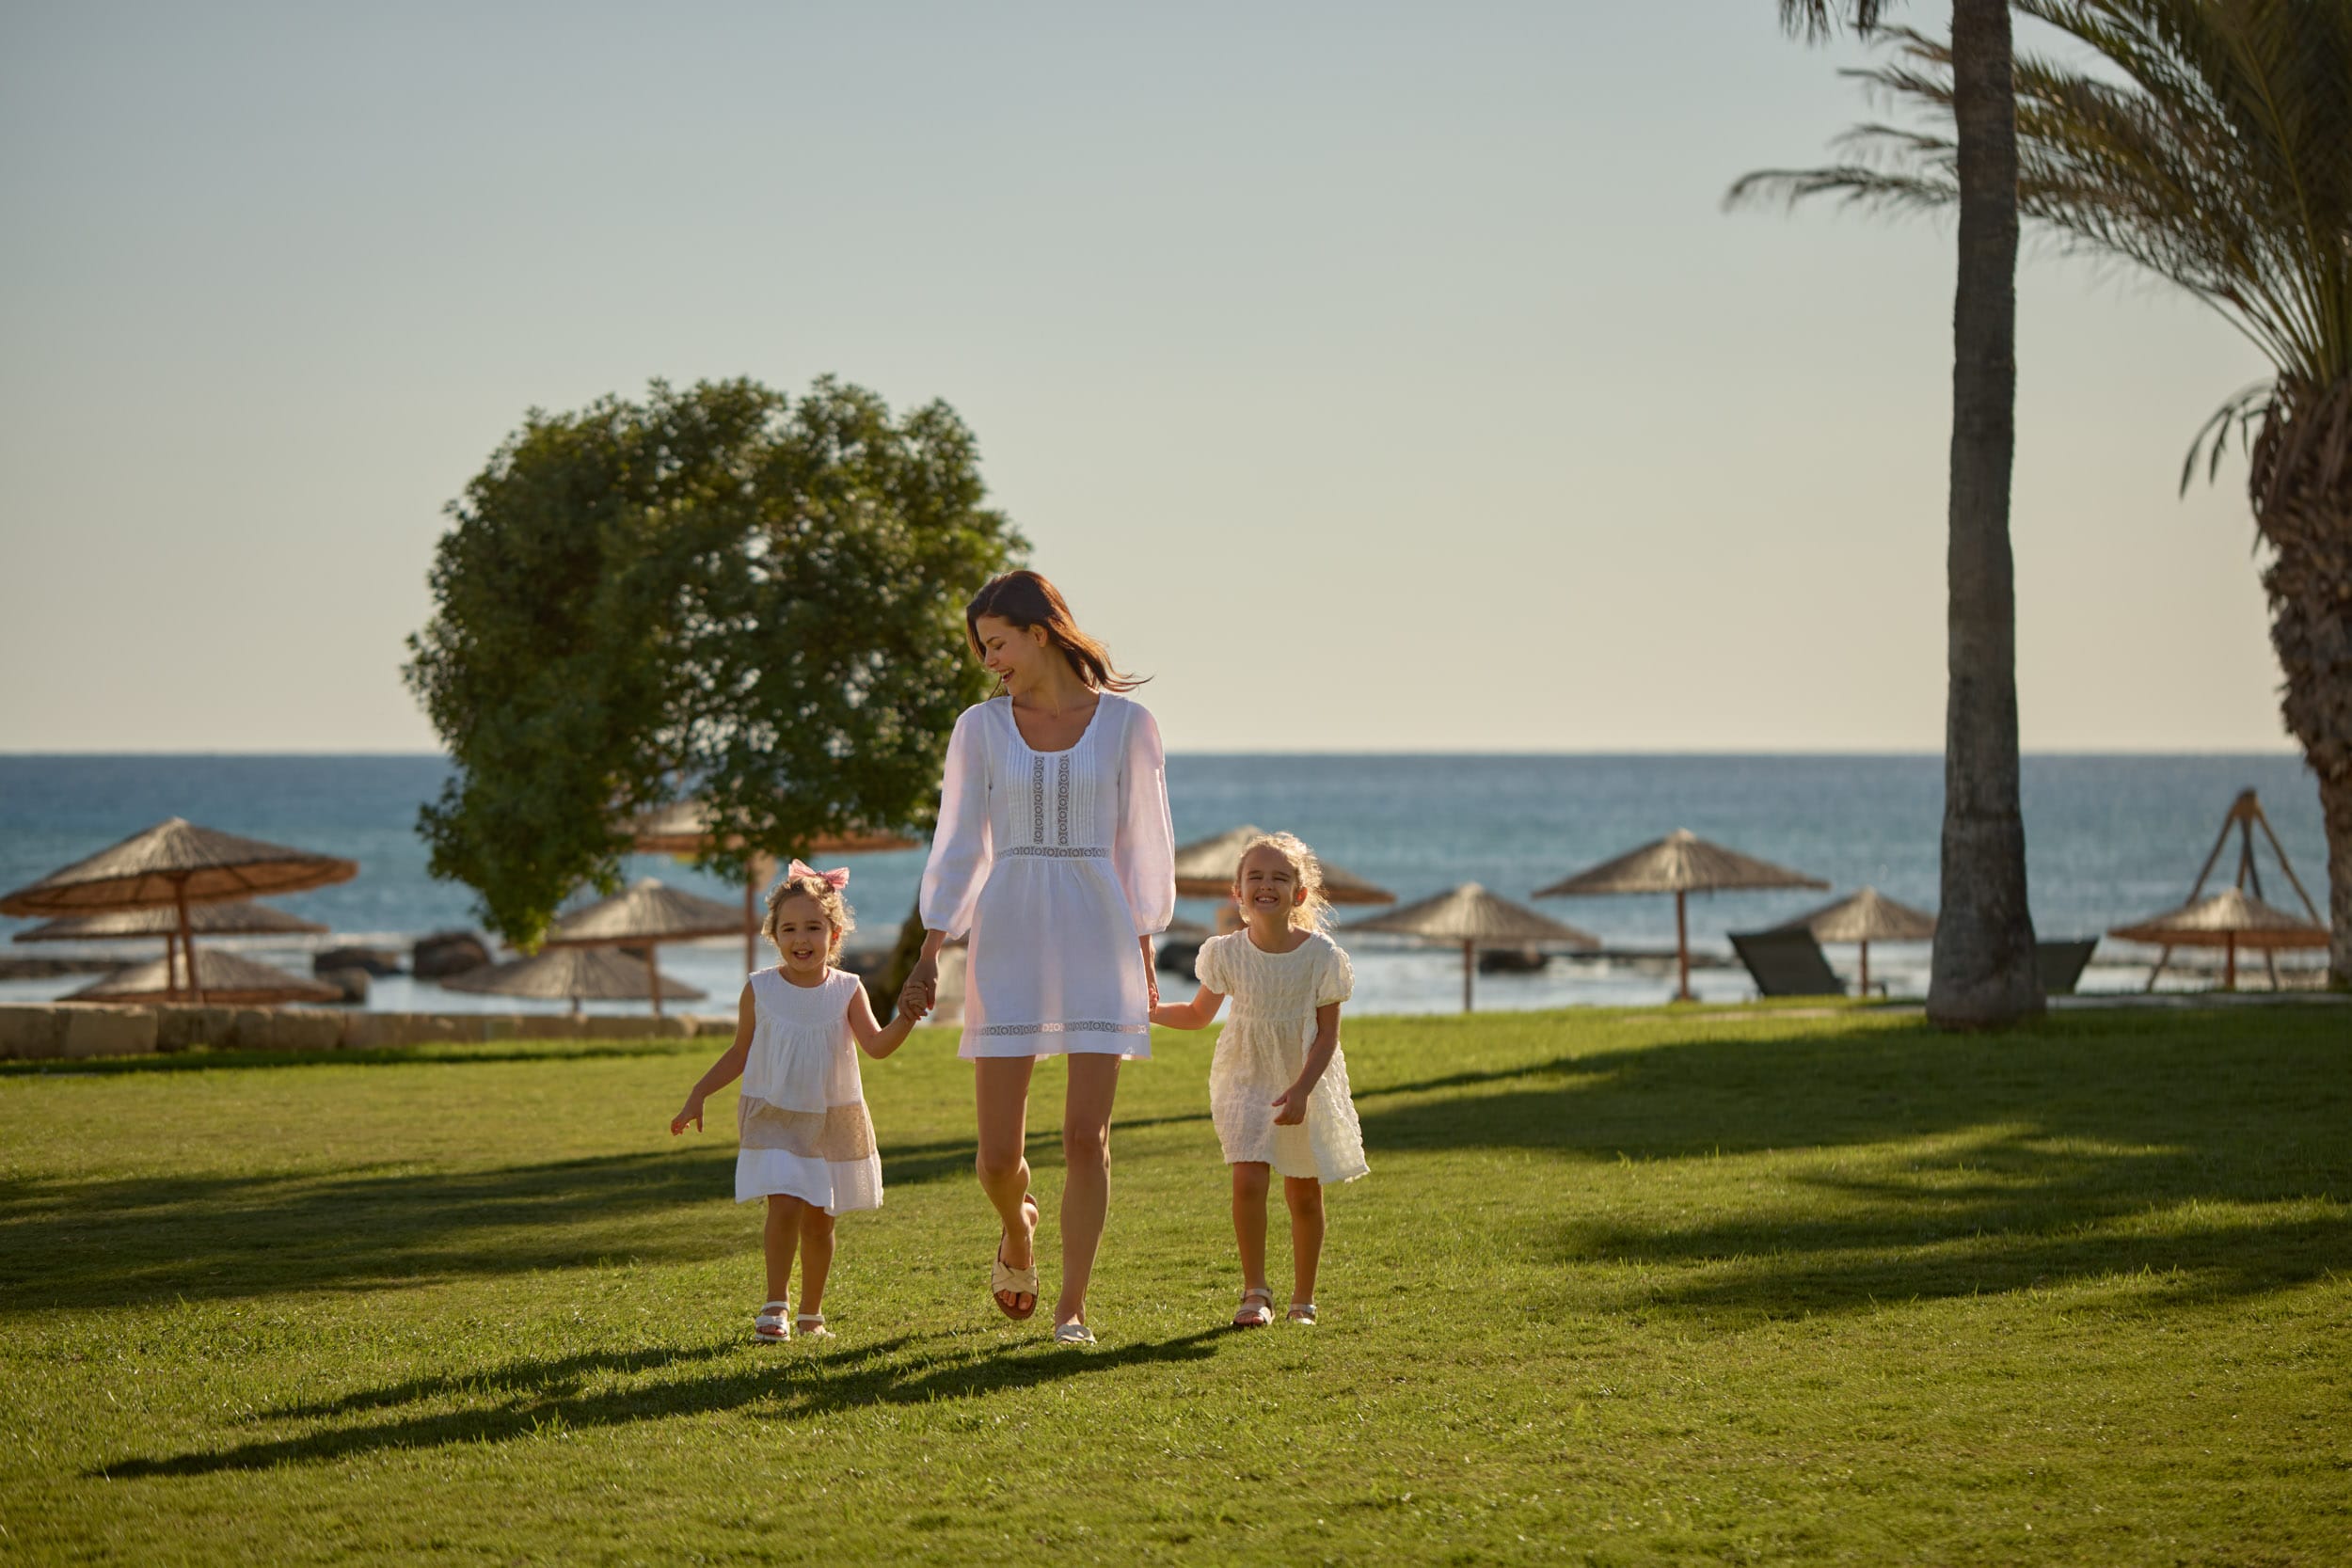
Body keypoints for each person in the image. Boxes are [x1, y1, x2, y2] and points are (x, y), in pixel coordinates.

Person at [901, 570, 1175, 1345]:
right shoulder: (979, 729)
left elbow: (1144, 847)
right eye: (982, 648)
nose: (991, 660)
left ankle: (1072, 1306)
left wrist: (1146, 942)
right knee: (996, 1159)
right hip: (1009, 928)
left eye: (998, 643)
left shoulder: (1129, 726)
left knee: (1088, 1134)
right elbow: (957, 844)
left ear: (1041, 631)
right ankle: (1016, 1228)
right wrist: (931, 948)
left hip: (1101, 931)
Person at [673, 861, 921, 1341]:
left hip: (829, 1119)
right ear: (774, 934)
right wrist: (698, 1094)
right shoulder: (760, 988)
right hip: (774, 1114)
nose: (801, 937)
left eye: (813, 927)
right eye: (789, 928)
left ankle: (812, 1314)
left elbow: (877, 1046)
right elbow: (739, 1052)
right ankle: (775, 1305)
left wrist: (907, 1018)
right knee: (782, 1204)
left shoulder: (848, 990)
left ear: (835, 933)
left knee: (819, 1222)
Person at [1151, 832, 1366, 1327]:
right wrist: (1144, 1012)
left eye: (1278, 877)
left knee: (1303, 1193)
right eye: (1255, 877)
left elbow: (1328, 1036)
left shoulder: (1321, 957)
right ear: (1238, 892)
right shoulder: (1225, 954)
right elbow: (1198, 1015)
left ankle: (1303, 1300)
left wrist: (1303, 1090)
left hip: (1302, 1079)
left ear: (1299, 893)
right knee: (1247, 1178)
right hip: (1244, 1077)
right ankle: (1255, 1293)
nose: (1265, 885)